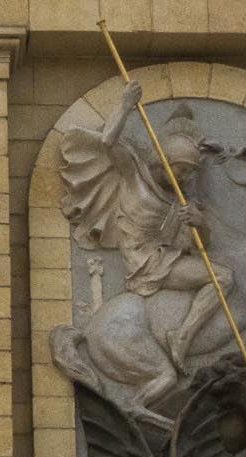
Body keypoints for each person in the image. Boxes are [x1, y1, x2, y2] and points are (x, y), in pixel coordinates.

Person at [59, 81, 232, 367]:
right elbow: (107, 142)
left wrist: (200, 224)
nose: (185, 178)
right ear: (165, 161)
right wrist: (126, 105)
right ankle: (182, 337)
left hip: (168, 259)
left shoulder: (181, 199)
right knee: (223, 278)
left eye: (190, 173)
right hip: (145, 265)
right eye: (181, 170)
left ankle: (182, 335)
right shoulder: (134, 175)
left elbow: (198, 247)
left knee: (224, 276)